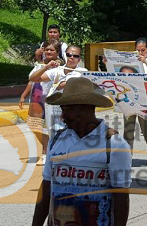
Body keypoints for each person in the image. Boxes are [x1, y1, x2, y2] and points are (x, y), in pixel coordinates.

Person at [31, 77, 131, 226]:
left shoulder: (114, 144)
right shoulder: (56, 140)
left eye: (69, 110)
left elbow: (121, 196)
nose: (63, 117)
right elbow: (46, 188)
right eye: (62, 110)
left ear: (88, 108)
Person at [21, 39, 62, 165]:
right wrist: (23, 95)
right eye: (47, 49)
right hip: (35, 101)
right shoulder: (39, 65)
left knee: (46, 129)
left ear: (57, 52)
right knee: (34, 127)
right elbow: (31, 80)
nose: (49, 52)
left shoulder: (59, 67)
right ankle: (48, 149)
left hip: (49, 102)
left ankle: (45, 153)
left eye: (52, 50)